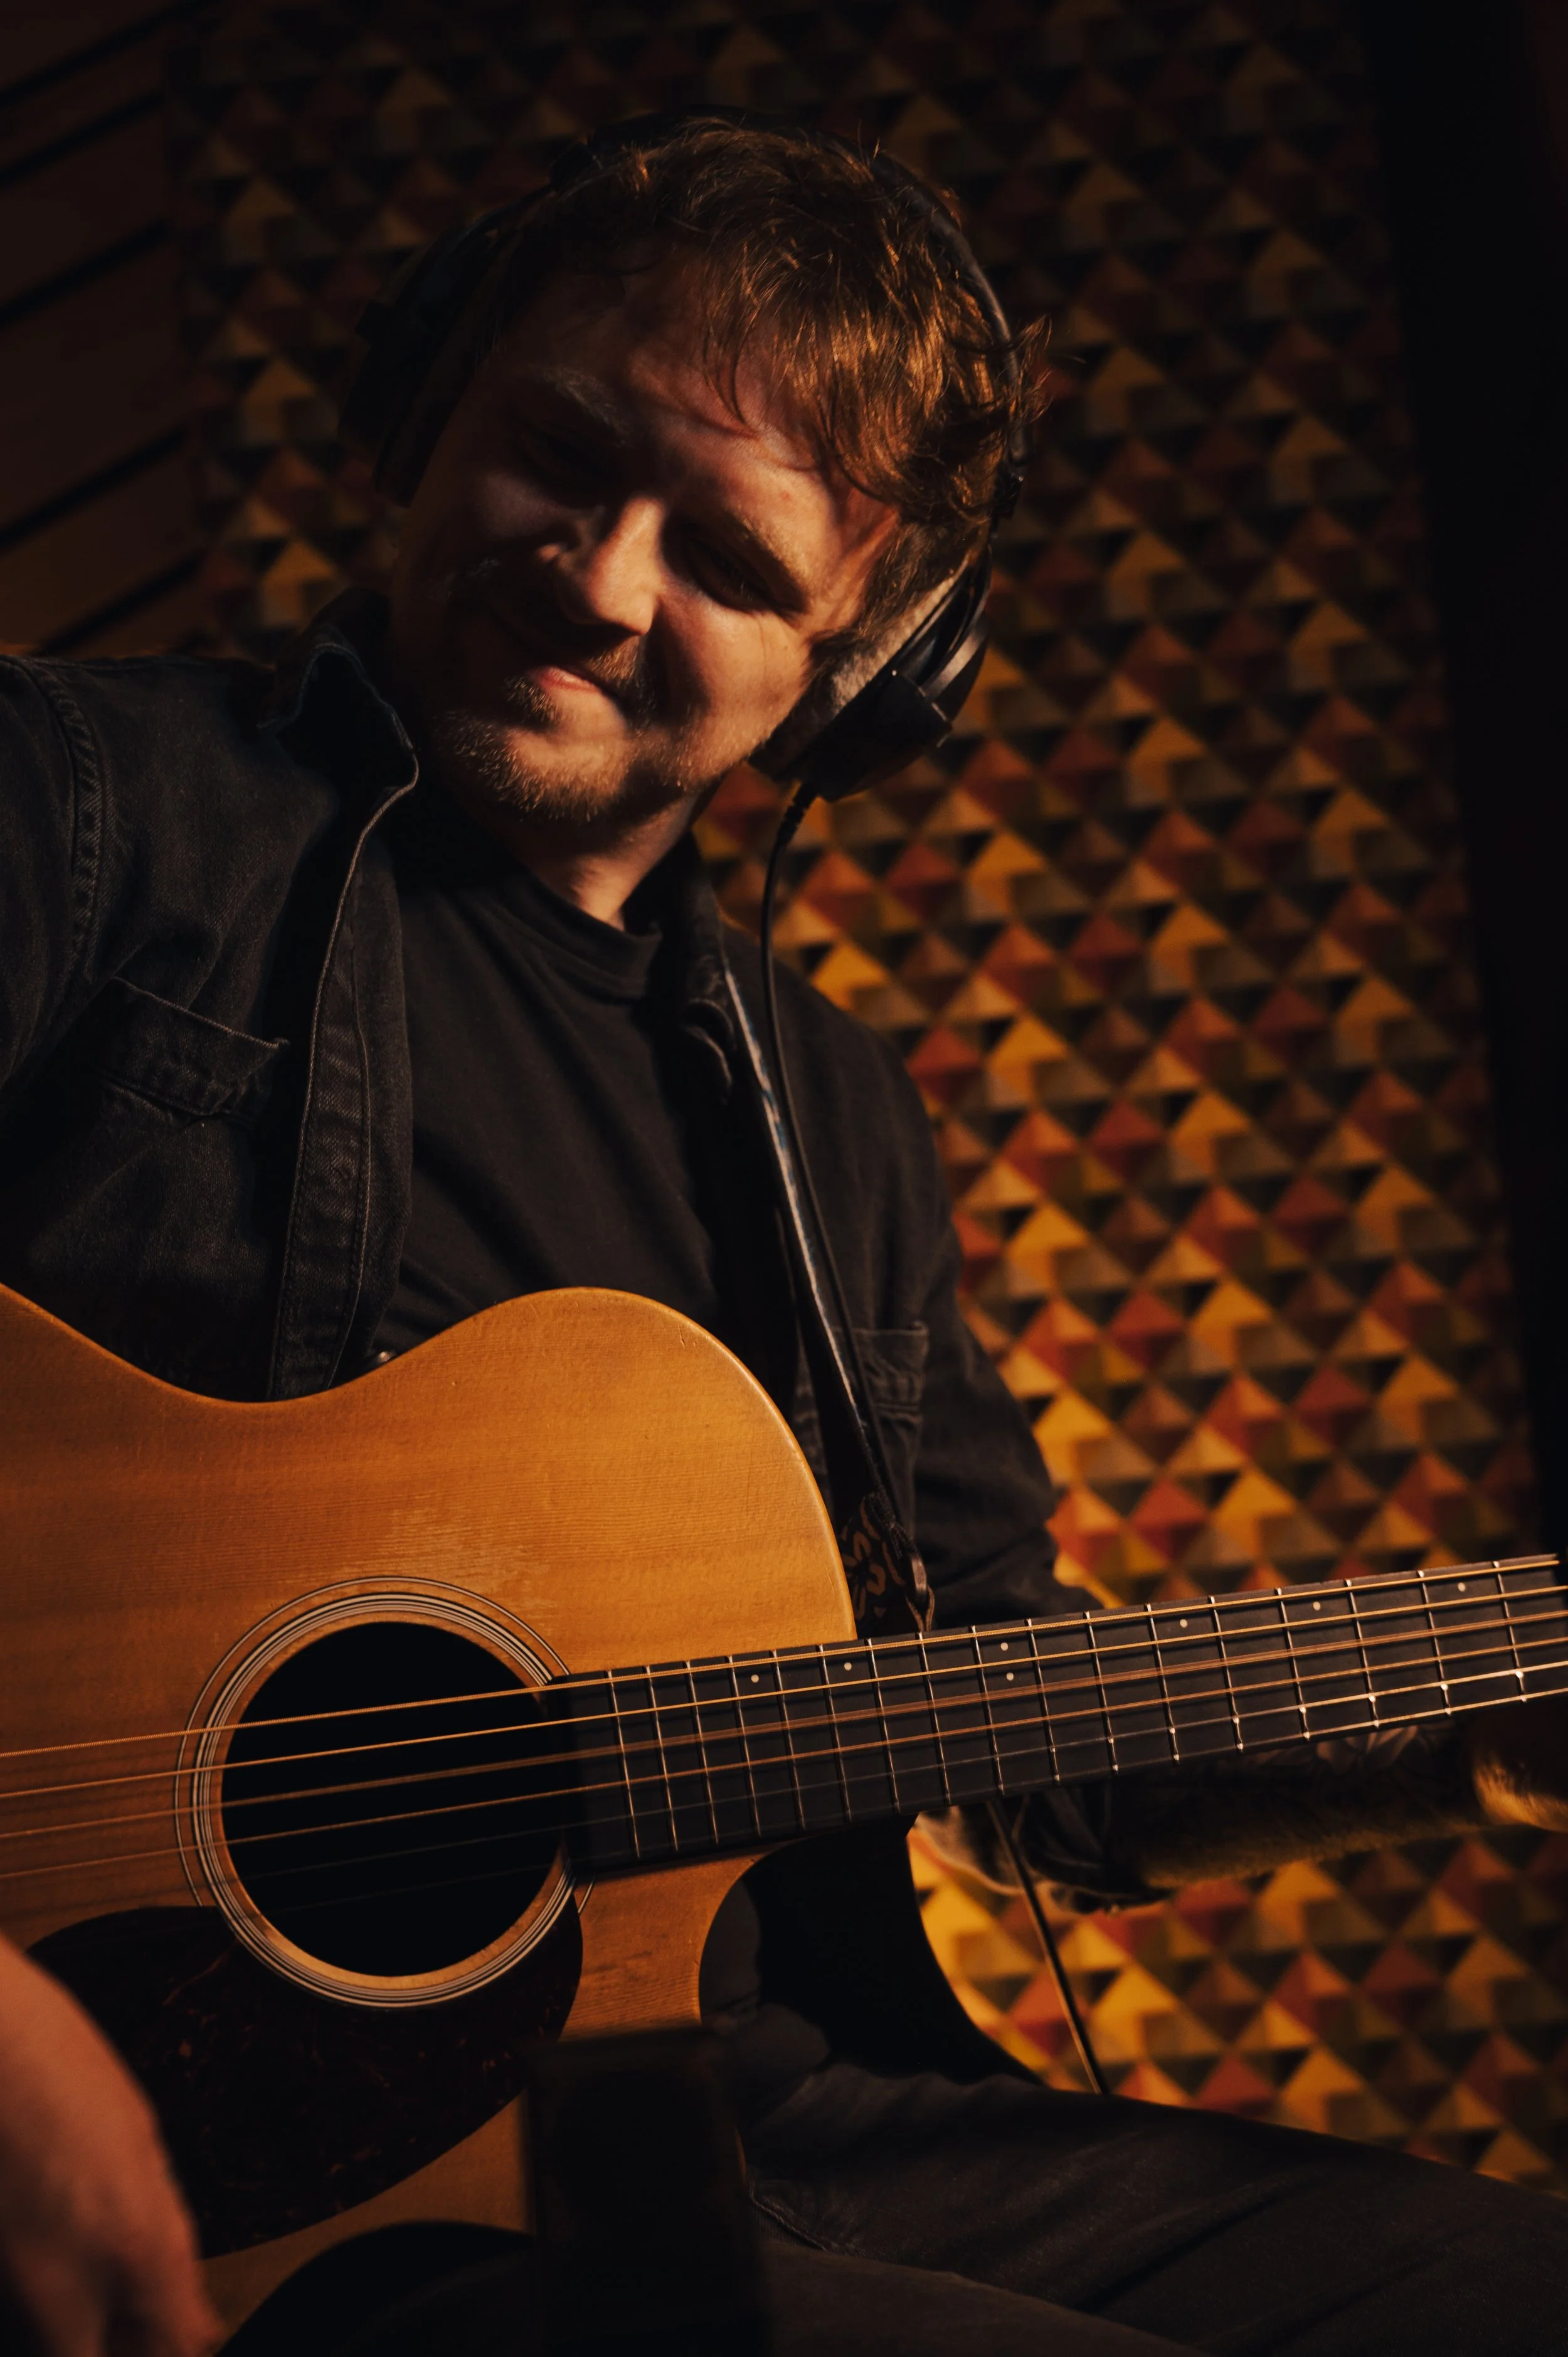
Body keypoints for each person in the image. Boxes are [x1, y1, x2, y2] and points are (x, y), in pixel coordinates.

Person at [2, 114, 1567, 2357]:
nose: (605, 578)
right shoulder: (78, 806)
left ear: (862, 667)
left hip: (774, 2122)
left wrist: (1488, 1712)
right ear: (430, 410)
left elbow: (1046, 1757)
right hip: (267, 2176)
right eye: (559, 453)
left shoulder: (825, 1117)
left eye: (728, 556)